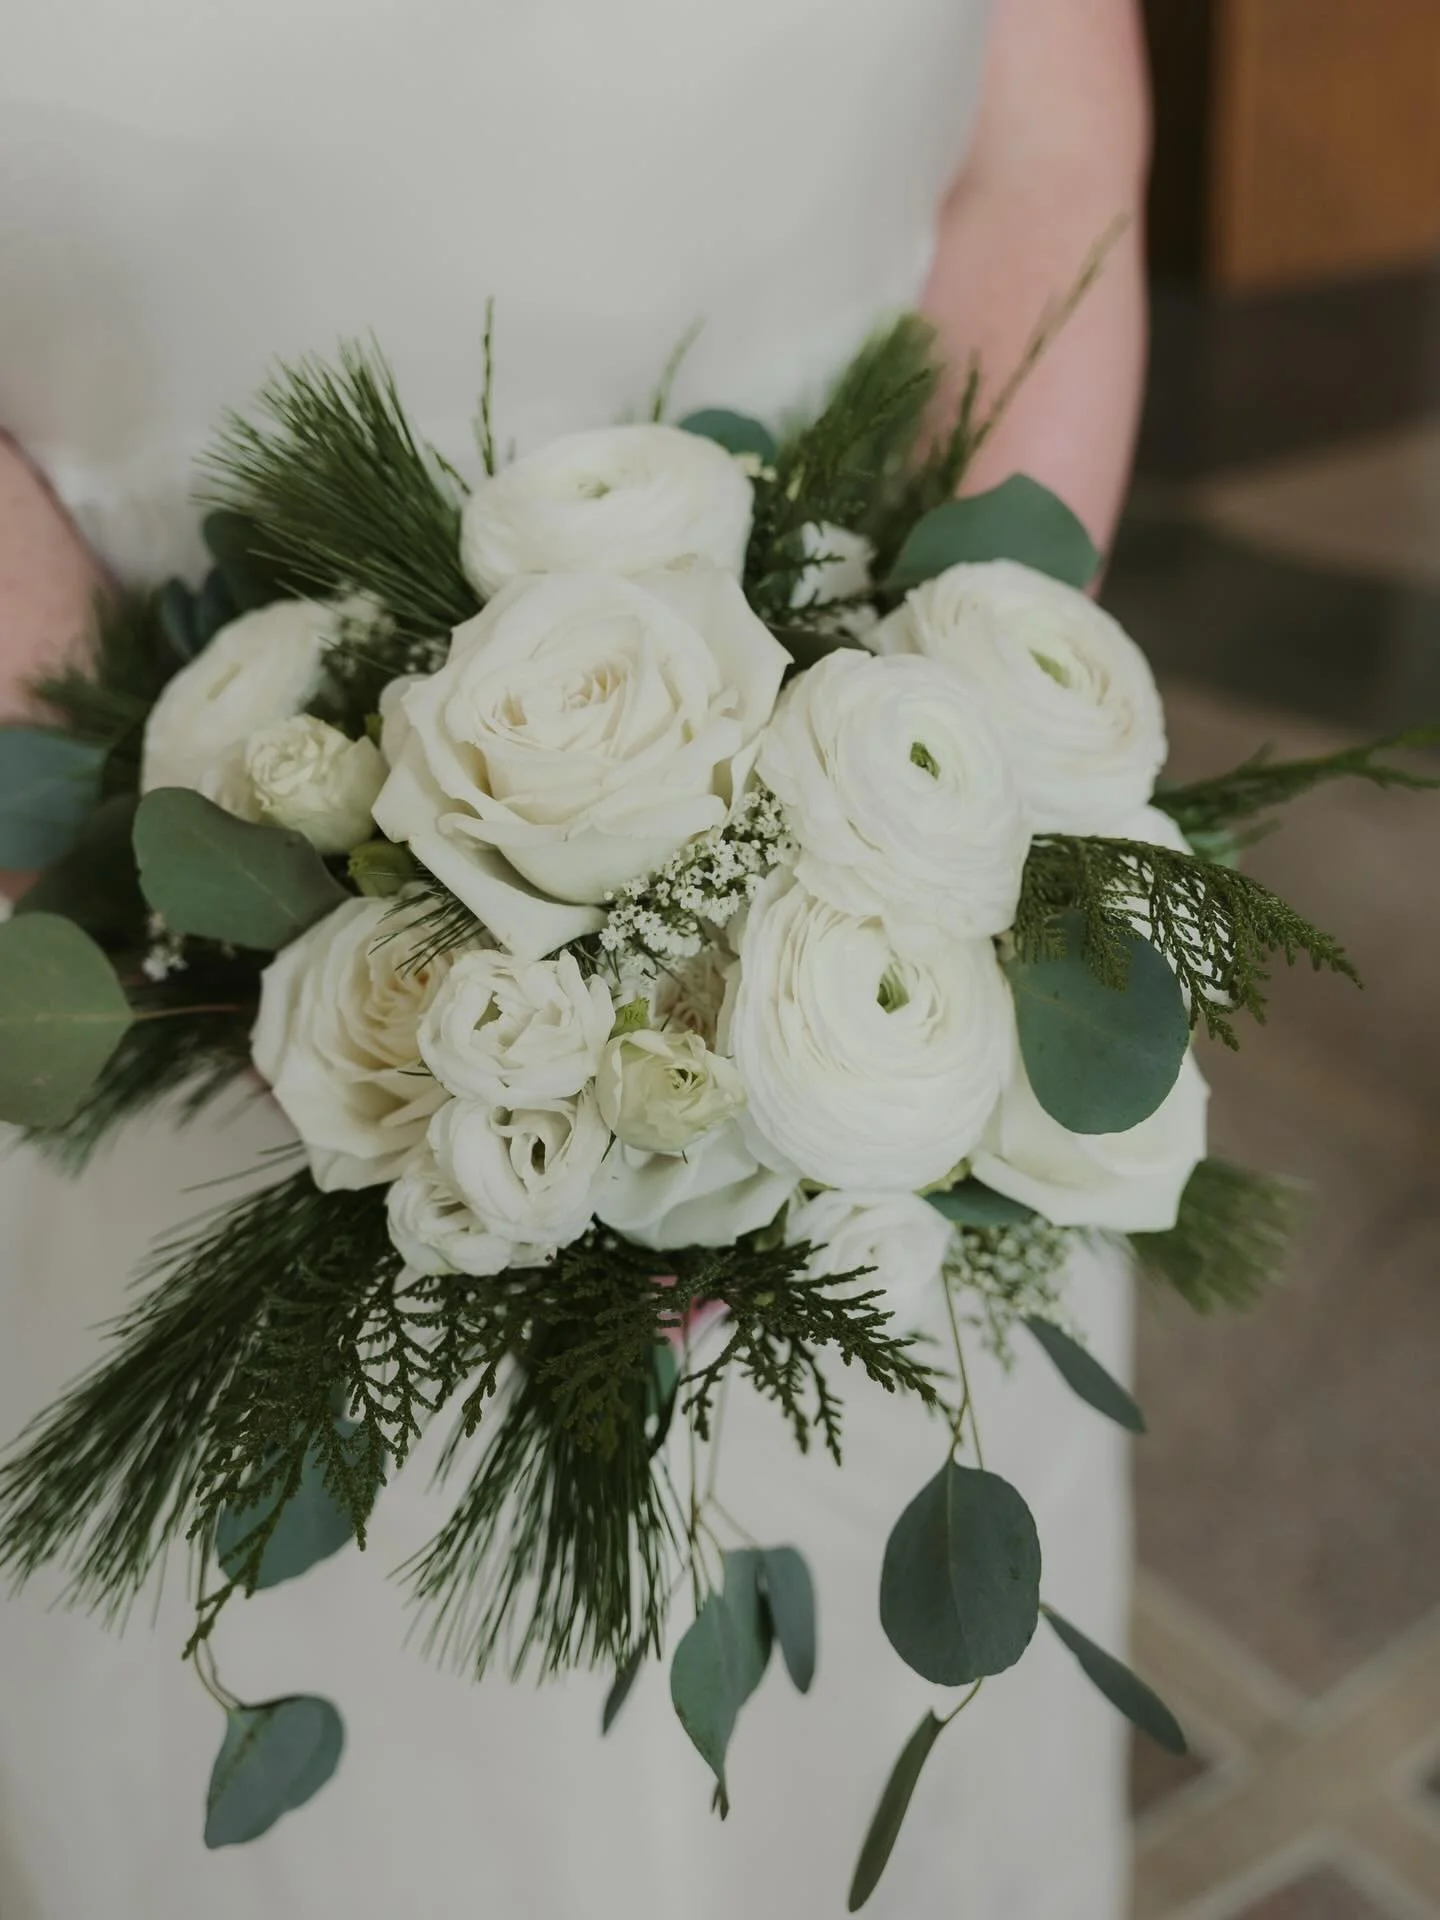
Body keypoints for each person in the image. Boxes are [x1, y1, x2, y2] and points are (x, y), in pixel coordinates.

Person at [0, 1, 1151, 1913]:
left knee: (864, 1727)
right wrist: (176, 838)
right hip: (151, 948)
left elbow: (1050, 151)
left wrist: (913, 801)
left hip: (895, 971)